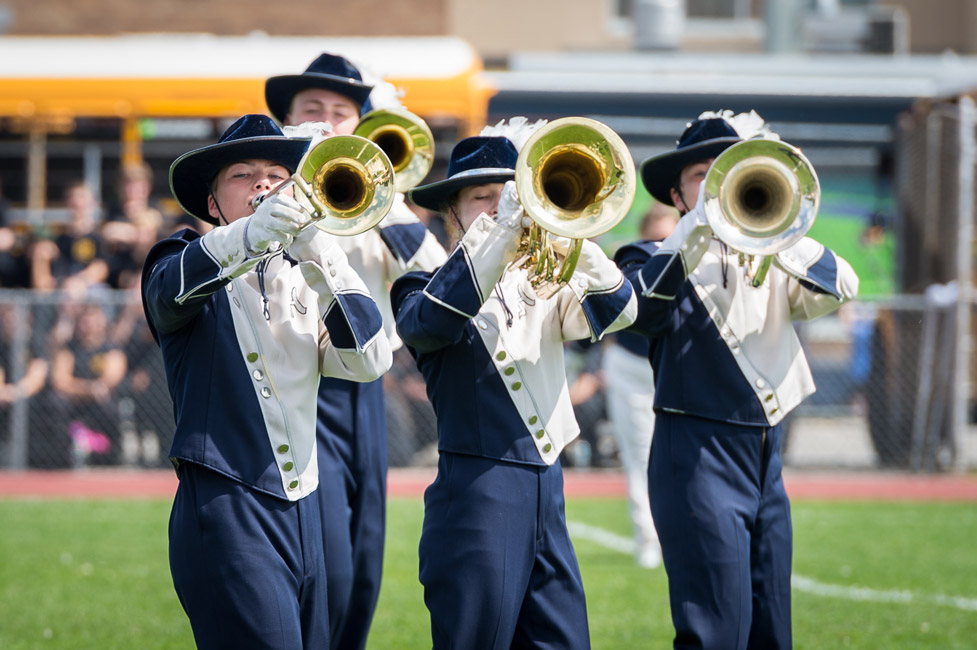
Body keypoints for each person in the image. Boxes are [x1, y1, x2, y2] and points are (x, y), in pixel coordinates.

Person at [141, 114, 392, 649]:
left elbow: (371, 360)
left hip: (306, 510)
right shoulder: (179, 257)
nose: (262, 184)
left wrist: (320, 250)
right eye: (243, 174)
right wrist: (255, 233)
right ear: (212, 204)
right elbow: (170, 291)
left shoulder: (307, 273)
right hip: (227, 508)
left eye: (277, 174)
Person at [614, 110, 859, 649]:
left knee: (773, 631)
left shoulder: (770, 258)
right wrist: (701, 224)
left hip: (765, 456)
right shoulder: (647, 257)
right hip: (696, 455)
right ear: (677, 197)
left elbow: (843, 284)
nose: (717, 185)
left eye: (729, 170)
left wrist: (779, 222)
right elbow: (642, 311)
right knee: (716, 633)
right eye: (702, 175)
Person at [391, 126, 637, 649]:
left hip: (548, 486)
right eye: (484, 196)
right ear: (450, 212)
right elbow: (429, 324)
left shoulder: (545, 285)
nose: (505, 205)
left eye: (512, 192)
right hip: (480, 489)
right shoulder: (421, 282)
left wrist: (576, 236)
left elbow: (623, 310)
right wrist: (502, 233)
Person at [265, 51, 447, 649]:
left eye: (340, 113)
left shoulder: (376, 198)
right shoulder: (268, 190)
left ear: (359, 125)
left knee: (366, 560)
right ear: (288, 120)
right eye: (310, 110)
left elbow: (437, 274)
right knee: (331, 565)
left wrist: (381, 192)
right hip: (299, 383)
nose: (325, 121)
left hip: (364, 386)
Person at [601, 202, 679, 569]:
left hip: (678, 369)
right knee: (640, 458)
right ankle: (648, 540)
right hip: (632, 369)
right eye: (656, 239)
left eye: (670, 238)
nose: (662, 246)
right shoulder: (632, 267)